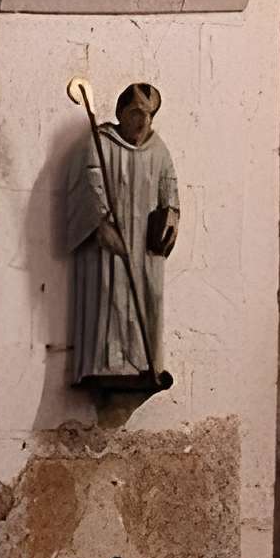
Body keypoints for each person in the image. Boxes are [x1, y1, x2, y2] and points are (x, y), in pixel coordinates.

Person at [66, 79, 177, 386]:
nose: (143, 122)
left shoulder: (158, 149)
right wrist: (101, 223)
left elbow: (169, 188)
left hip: (144, 247)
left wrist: (171, 216)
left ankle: (144, 363)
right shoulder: (99, 143)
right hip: (110, 244)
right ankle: (106, 366)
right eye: (136, 113)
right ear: (121, 112)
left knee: (149, 296)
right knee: (108, 293)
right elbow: (89, 184)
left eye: (149, 114)